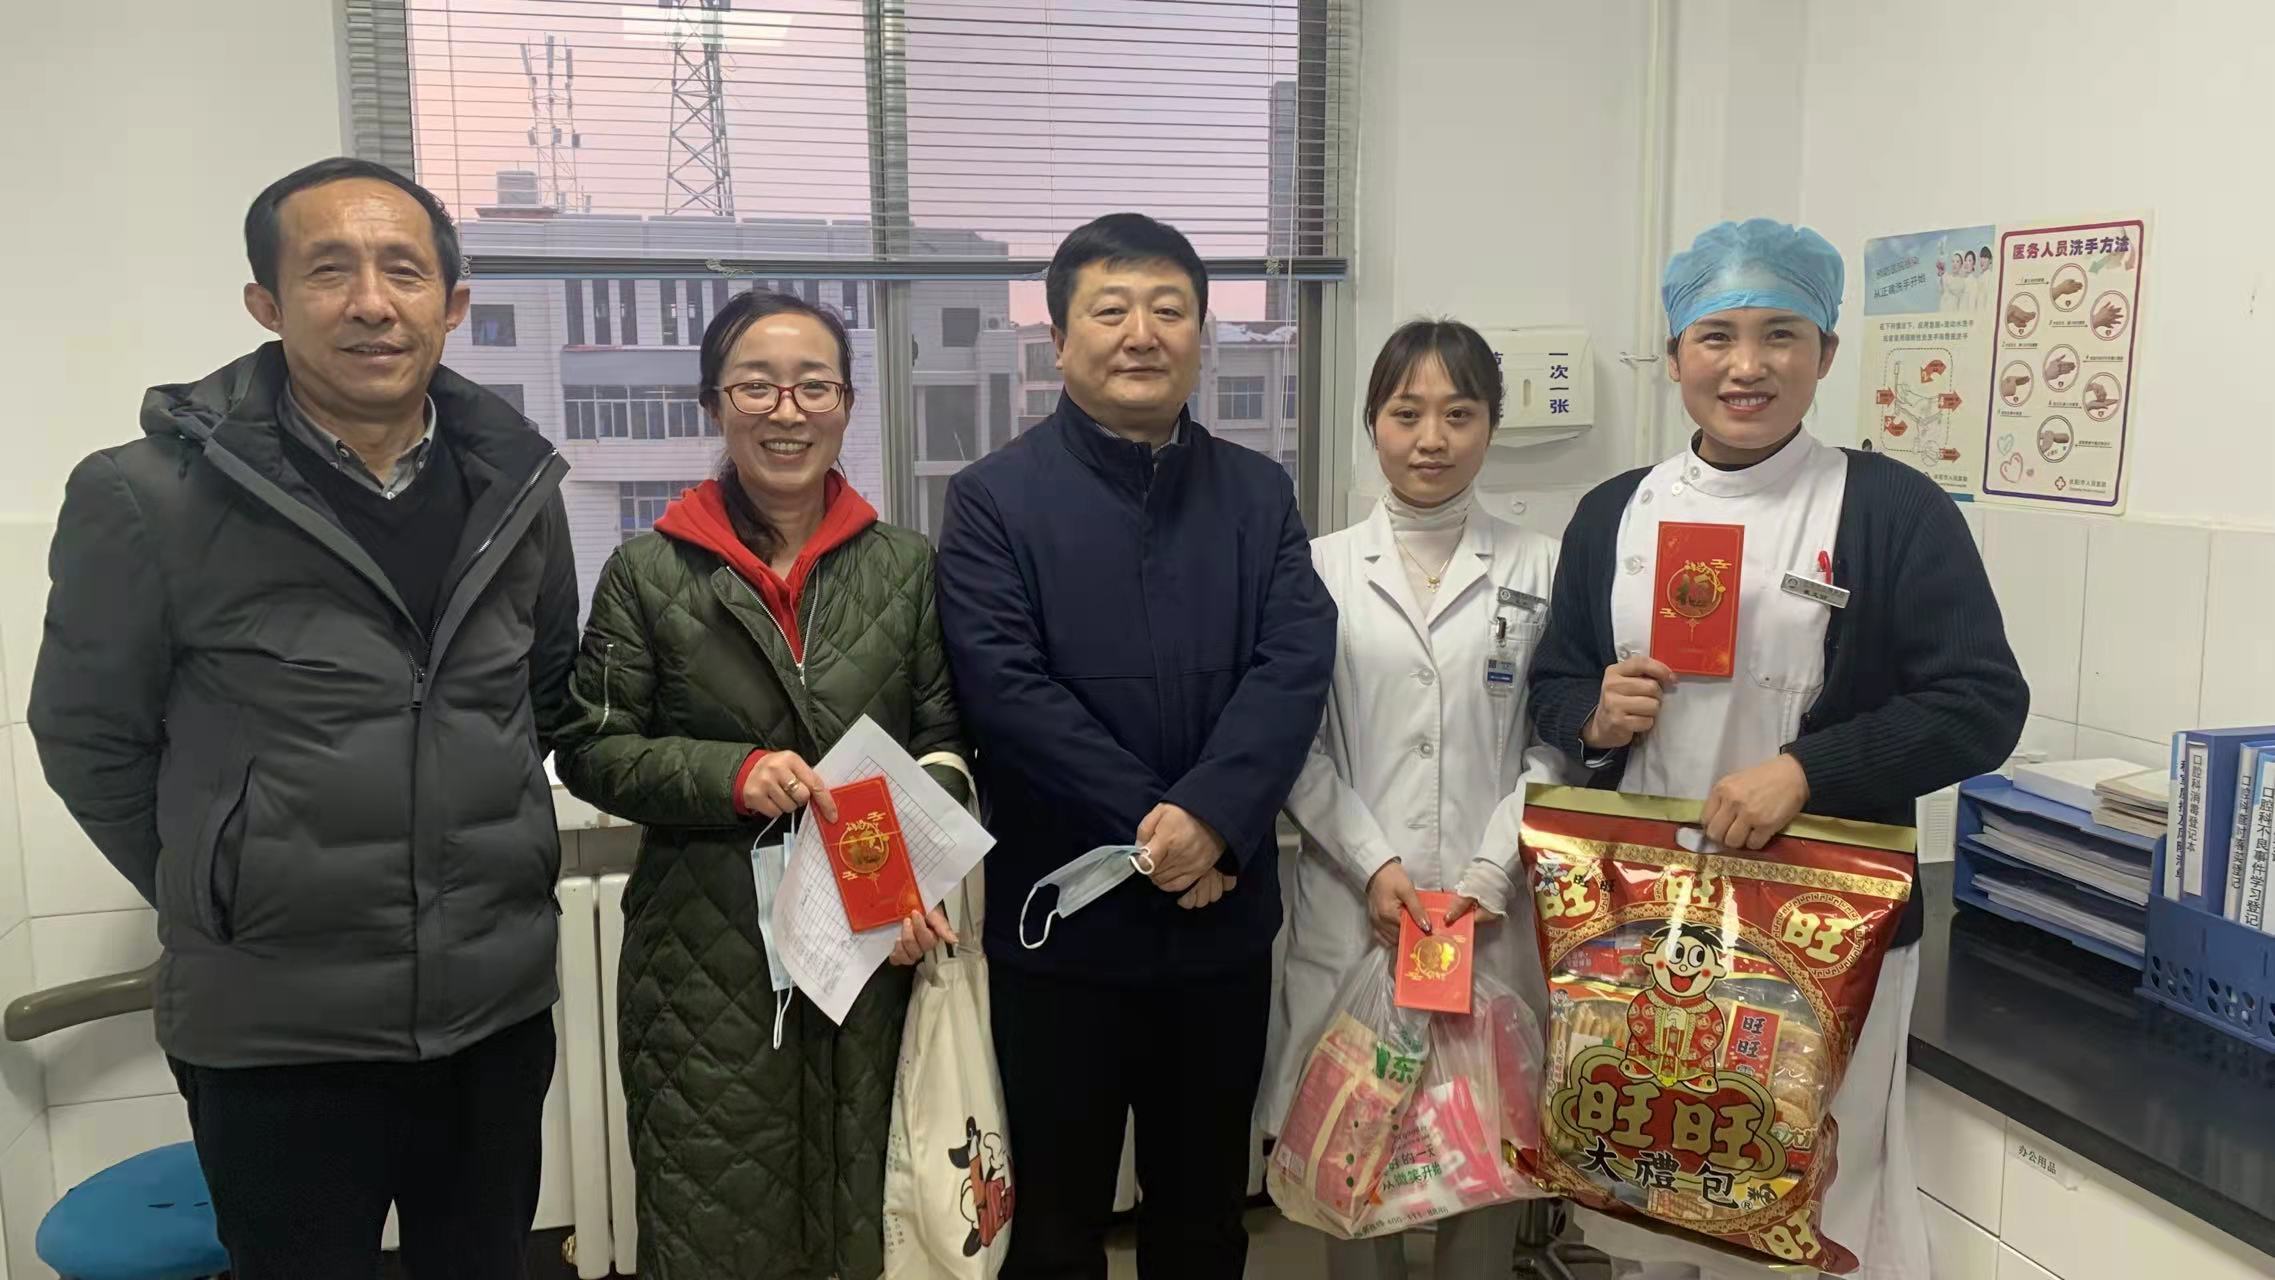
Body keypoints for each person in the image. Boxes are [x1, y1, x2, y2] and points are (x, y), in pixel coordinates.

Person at [28, 157, 577, 1278]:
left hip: (491, 1012)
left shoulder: (517, 489)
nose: (372, 302)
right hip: (274, 1030)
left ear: (451, 305)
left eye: (404, 271)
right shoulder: (147, 496)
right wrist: (223, 881)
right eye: (329, 271)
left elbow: (546, 694)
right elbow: (89, 739)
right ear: (266, 304)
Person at [1526, 218, 2028, 1280]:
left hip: (1821, 927)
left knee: (1802, 1197)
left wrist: (1807, 771)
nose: (1745, 366)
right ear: (1673, 356)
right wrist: (1595, 716)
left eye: (1780, 335)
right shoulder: (1612, 513)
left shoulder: (1891, 509)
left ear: (1825, 354)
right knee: (1653, 1185)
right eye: (1716, 336)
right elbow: (1555, 683)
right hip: (1646, 921)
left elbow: (1980, 703)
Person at [935, 212, 1336, 1278]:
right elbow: (1006, 691)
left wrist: (1212, 819)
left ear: (1201, 334)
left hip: (1217, 926)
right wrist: (1166, 833)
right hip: (1064, 925)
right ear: (1059, 339)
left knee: (1203, 1213)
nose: (1141, 333)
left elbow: (1293, 664)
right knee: (1053, 1220)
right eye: (1109, 310)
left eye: (1168, 309)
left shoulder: (1258, 492)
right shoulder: (992, 500)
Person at [553, 290, 968, 1280]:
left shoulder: (904, 567)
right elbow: (590, 747)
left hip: (868, 942)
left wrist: (909, 884)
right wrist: (730, 774)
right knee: (715, 1219)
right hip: (706, 958)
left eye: (814, 386)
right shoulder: (648, 572)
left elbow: (943, 739)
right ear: (714, 403)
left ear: (846, 403)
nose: (787, 411)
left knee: (867, 1213)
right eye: (756, 386)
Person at [1273, 319, 1563, 1278]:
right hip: (1356, 909)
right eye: (1406, 414)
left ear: (1492, 426)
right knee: (1349, 1158)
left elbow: (1556, 742)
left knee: (1484, 1155)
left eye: (1458, 414)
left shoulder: (1542, 567)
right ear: (1372, 423)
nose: (1431, 439)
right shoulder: (1315, 569)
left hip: (1491, 912)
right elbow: (1293, 745)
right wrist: (1373, 863)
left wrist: (1490, 871)